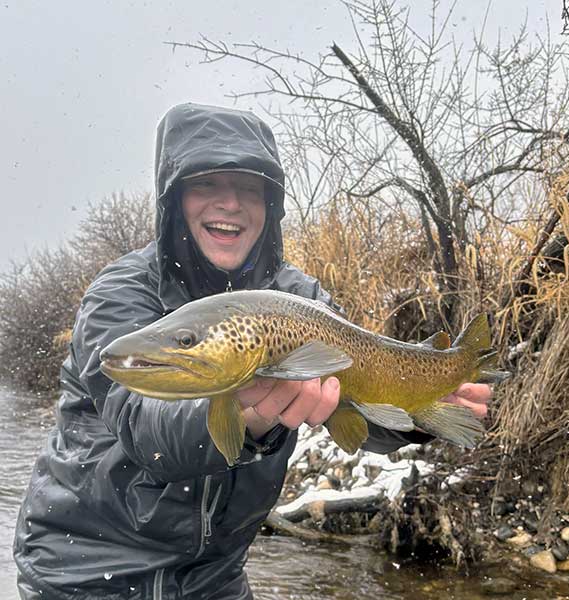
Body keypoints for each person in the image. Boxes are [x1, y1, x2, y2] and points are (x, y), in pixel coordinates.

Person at [14, 103, 491, 599]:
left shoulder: (302, 301)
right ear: (174, 200)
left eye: (248, 188)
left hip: (213, 579)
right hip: (86, 572)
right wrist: (245, 416)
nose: (230, 205)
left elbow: (353, 406)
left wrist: (422, 414)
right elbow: (148, 430)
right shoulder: (121, 294)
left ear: (270, 204)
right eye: (206, 185)